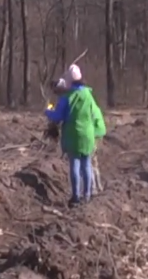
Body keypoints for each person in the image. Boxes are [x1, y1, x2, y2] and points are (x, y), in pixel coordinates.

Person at [45, 64, 106, 207]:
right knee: (87, 164)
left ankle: (76, 197)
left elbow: (57, 116)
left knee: (75, 165)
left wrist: (48, 110)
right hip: (88, 134)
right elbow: (94, 114)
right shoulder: (88, 95)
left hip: (73, 135)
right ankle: (88, 194)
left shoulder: (67, 97)